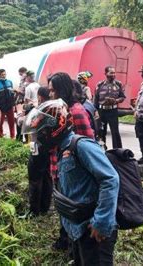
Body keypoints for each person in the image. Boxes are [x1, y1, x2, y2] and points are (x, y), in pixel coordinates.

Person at [22, 99, 119, 265]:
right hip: (78, 229)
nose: (37, 138)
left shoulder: (81, 146)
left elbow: (110, 179)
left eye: (39, 133)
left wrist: (101, 222)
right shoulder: (62, 149)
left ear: (52, 129)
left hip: (94, 229)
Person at [48, 72, 94, 251]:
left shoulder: (76, 112)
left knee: (73, 209)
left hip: (74, 174)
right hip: (59, 170)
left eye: (53, 91)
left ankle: (75, 246)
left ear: (62, 90)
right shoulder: (60, 111)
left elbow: (88, 144)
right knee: (64, 208)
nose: (50, 94)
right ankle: (67, 241)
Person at [27, 86, 52, 216]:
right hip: (50, 148)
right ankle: (45, 208)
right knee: (47, 177)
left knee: (35, 178)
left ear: (40, 96)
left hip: (39, 147)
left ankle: (34, 210)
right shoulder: (55, 108)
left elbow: (32, 125)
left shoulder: (42, 110)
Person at [94, 66, 125, 149]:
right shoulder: (99, 85)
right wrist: (95, 111)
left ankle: (117, 151)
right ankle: (102, 150)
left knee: (115, 132)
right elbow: (96, 99)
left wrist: (115, 101)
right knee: (101, 132)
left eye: (114, 73)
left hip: (113, 111)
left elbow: (122, 97)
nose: (113, 75)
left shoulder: (118, 84)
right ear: (106, 73)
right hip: (101, 111)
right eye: (111, 73)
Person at [0, 69, 15, 139]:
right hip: (1, 106)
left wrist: (13, 104)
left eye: (5, 74)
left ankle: (12, 136)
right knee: (0, 123)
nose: (4, 76)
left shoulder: (10, 82)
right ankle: (1, 135)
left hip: (10, 105)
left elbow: (12, 94)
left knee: (11, 122)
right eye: (2, 74)